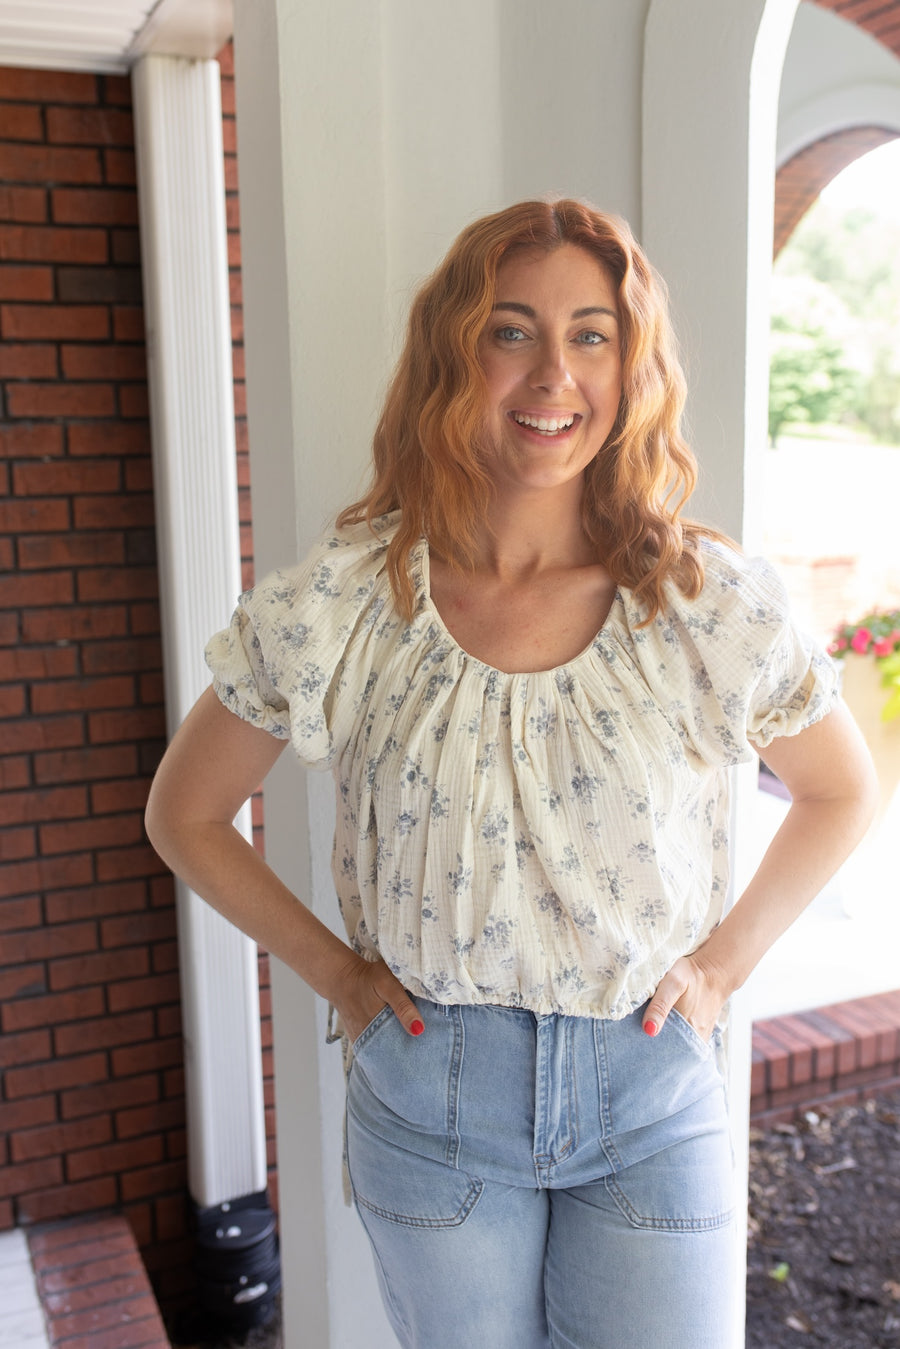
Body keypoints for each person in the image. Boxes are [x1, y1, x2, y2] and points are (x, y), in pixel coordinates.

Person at [145, 198, 877, 1349]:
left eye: (592, 333)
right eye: (511, 329)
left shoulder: (696, 601)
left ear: (630, 365)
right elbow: (184, 811)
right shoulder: (348, 601)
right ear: (455, 352)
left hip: (648, 1088)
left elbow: (843, 789)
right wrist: (338, 973)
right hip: (432, 1096)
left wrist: (725, 965)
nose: (554, 372)